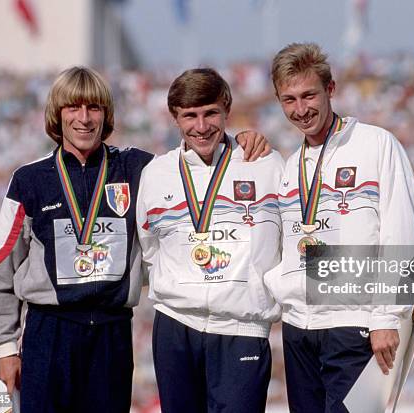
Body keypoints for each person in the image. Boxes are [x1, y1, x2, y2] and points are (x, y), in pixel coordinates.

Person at [0, 66, 269, 413]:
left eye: (95, 108)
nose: (85, 119)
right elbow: (1, 266)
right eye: (74, 108)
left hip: (111, 332)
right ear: (57, 115)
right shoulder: (29, 180)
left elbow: (196, 162)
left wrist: (241, 141)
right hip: (49, 332)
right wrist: (5, 347)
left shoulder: (139, 169)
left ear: (107, 114)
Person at [265, 43, 414, 412]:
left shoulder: (376, 144)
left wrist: (386, 316)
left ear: (330, 89)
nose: (301, 110)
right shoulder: (290, 166)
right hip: (299, 330)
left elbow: (400, 235)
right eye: (289, 100)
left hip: (357, 324)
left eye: (309, 95)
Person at [136, 68, 284, 413]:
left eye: (210, 113)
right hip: (176, 325)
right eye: (190, 116)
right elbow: (150, 248)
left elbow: (287, 240)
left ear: (227, 111)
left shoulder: (264, 164)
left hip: (241, 327)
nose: (201, 127)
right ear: (175, 118)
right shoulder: (156, 174)